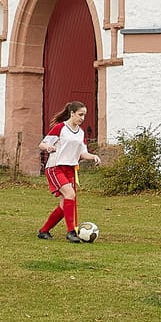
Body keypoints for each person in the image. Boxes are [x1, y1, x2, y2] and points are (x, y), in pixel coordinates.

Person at [38, 100, 102, 241]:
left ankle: (44, 231)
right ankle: (71, 232)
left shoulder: (81, 133)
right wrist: (48, 147)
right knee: (70, 194)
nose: (82, 118)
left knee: (64, 204)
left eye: (84, 115)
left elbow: (82, 153)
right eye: (80, 114)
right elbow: (42, 144)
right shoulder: (60, 128)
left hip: (70, 169)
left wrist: (93, 157)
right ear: (72, 113)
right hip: (55, 167)